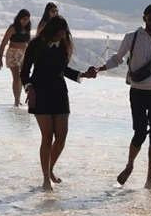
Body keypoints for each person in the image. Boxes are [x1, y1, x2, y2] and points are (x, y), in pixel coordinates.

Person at [95, 3, 151, 189]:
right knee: (139, 132)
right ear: (144, 18)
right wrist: (101, 68)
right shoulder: (132, 37)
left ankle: (150, 179)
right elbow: (117, 58)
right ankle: (130, 165)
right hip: (137, 92)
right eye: (150, 19)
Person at [21, 16, 96, 191]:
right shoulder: (35, 45)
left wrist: (83, 75)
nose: (60, 38)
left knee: (61, 137)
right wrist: (28, 88)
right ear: (50, 31)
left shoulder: (63, 46)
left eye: (63, 35)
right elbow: (25, 72)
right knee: (47, 138)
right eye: (57, 35)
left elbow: (63, 70)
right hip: (39, 93)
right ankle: (46, 179)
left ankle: (50, 168)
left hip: (60, 93)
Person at [0, 9, 32, 106]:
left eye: (27, 19)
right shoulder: (13, 28)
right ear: (19, 18)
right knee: (16, 77)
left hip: (23, 54)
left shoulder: (27, 29)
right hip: (12, 54)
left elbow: (29, 44)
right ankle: (16, 101)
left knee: (22, 77)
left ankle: (18, 99)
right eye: (24, 19)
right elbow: (3, 43)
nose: (26, 21)